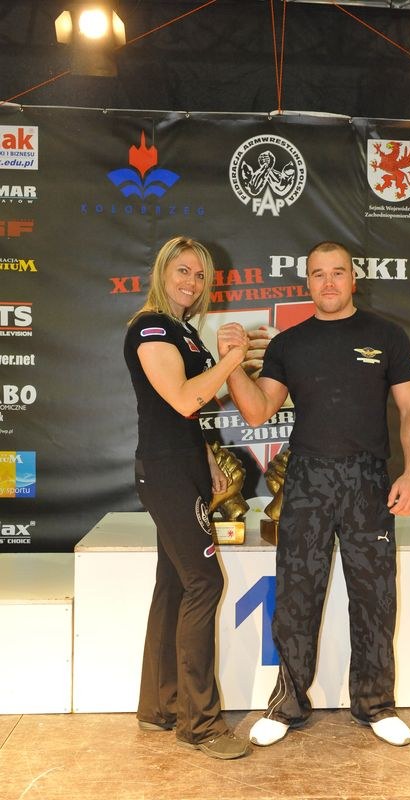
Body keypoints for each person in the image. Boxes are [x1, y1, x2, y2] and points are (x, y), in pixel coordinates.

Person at [217, 240, 410, 749]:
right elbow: (258, 412)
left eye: (338, 272)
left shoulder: (386, 335)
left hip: (368, 481)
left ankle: (376, 704)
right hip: (308, 478)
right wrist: (232, 363)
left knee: (374, 596)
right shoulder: (290, 344)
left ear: (353, 279)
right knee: (296, 595)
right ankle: (287, 705)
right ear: (307, 282)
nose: (329, 282)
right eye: (319, 274)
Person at [124, 235, 250, 760]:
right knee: (205, 582)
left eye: (200, 276)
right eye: (183, 271)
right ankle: (200, 725)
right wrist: (235, 357)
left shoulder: (185, 332)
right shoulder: (151, 327)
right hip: (165, 472)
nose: (192, 283)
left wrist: (207, 461)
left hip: (185, 467)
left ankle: (160, 706)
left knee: (175, 584)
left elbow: (188, 413)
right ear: (162, 272)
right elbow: (181, 399)